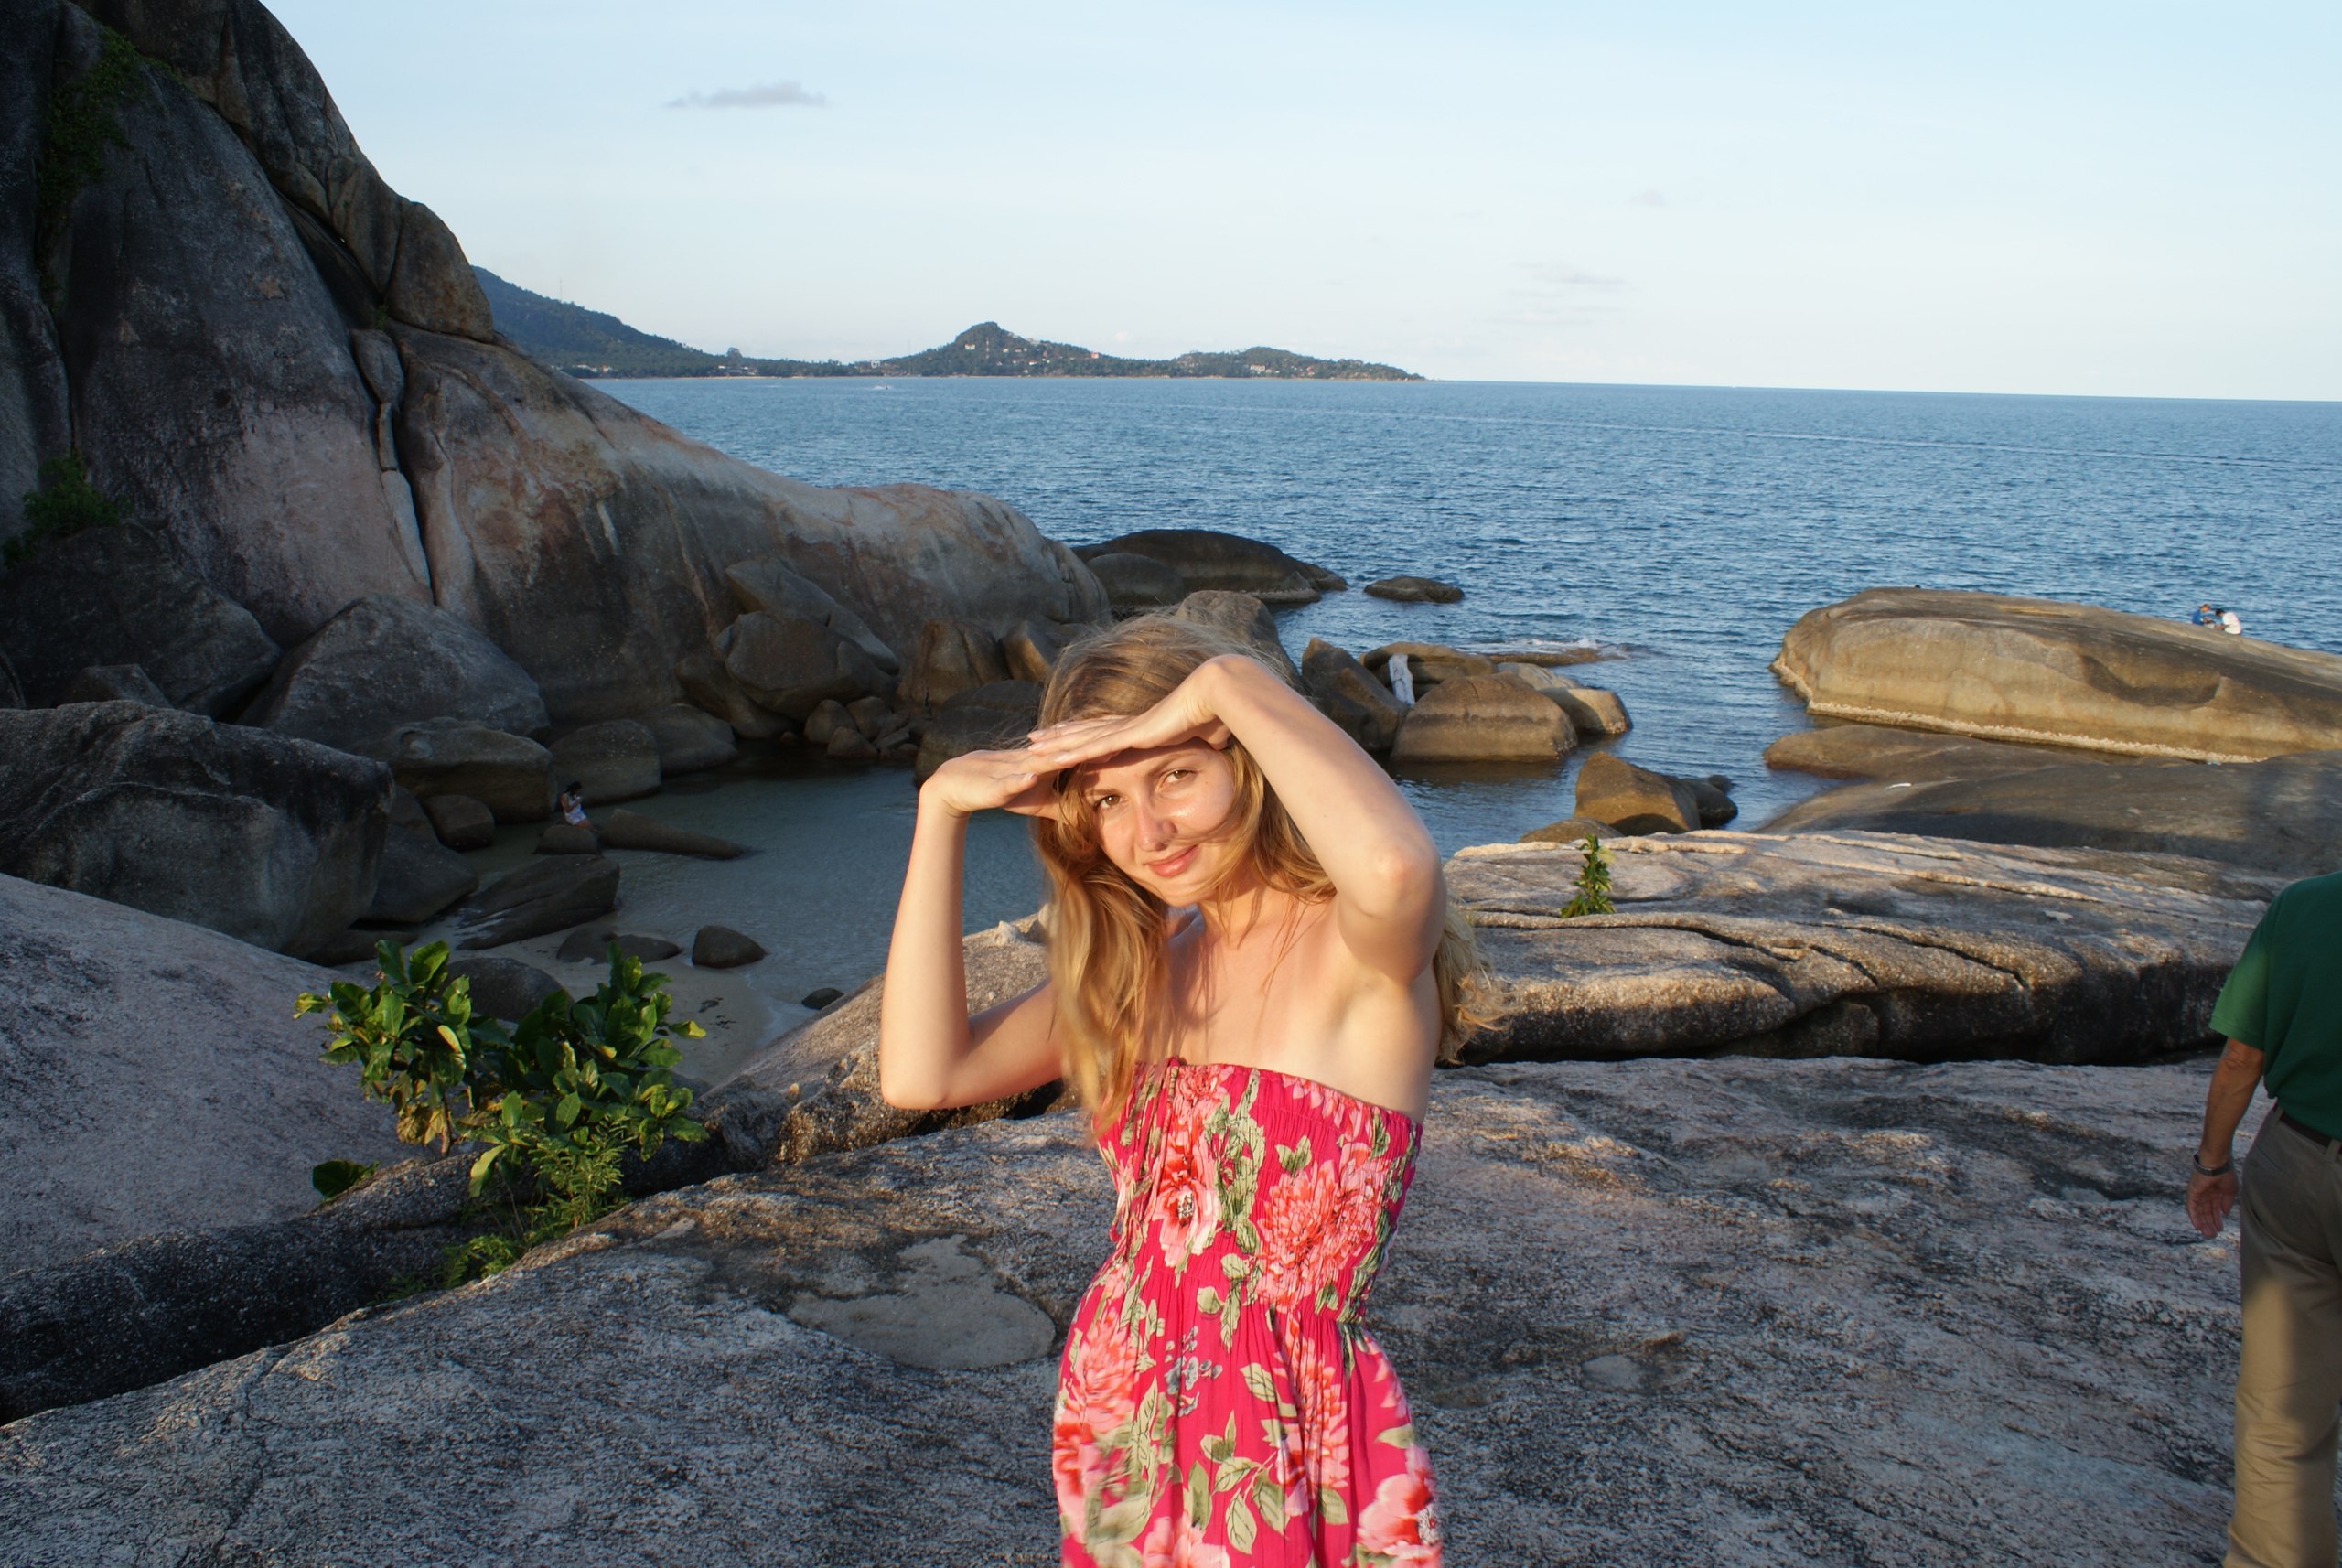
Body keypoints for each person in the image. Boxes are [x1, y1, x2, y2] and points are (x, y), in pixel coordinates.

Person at [878, 615, 1488, 1566]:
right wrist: (940, 809)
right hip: (1120, 1410)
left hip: (1281, 1433)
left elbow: (1394, 864)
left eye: (1175, 773)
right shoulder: (1144, 970)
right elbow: (923, 1074)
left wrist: (1224, 682)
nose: (1148, 831)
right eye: (1107, 799)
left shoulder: (1358, 951)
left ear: (1249, 762)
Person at [2186, 867, 2342, 1568]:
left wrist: (2212, 1162)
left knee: (2282, 1421)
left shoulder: (2304, 906)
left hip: (2297, 1162)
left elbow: (2242, 1056)